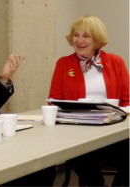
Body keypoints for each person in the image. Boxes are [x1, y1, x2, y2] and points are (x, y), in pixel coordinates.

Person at [48, 15, 129, 186]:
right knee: (81, 155)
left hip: (112, 132)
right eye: (76, 35)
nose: (79, 40)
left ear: (97, 40)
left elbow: (128, 100)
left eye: (86, 36)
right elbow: (54, 101)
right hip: (78, 133)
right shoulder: (63, 64)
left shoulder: (116, 62)